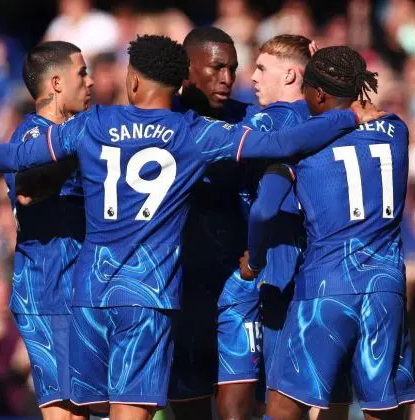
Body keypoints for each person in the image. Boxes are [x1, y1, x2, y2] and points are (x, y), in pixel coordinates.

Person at [0, 35, 381, 420]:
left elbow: (18, 156)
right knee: (132, 410)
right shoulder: (194, 133)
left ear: (134, 80)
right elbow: (280, 142)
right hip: (149, 294)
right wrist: (345, 115)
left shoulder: (94, 123)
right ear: (178, 82)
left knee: (79, 412)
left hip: (90, 292)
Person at [241, 46, 415, 420]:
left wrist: (254, 262)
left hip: (325, 285)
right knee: (382, 407)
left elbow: (264, 210)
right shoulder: (398, 130)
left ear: (318, 94)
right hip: (386, 288)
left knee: (283, 405)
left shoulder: (304, 144)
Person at [169, 27, 260, 420]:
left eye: (233, 69)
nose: (227, 78)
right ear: (188, 69)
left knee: (236, 411)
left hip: (237, 287)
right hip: (180, 290)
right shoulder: (162, 124)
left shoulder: (250, 120)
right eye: (217, 67)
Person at [0, 40, 93, 420]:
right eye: (82, 73)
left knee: (83, 408)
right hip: (47, 288)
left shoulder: (78, 133)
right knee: (64, 413)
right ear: (56, 83)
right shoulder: (32, 139)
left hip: (79, 286)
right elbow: (26, 190)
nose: (90, 82)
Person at [244, 34, 314, 406]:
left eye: (261, 68)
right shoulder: (327, 118)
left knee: (277, 396)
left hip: (280, 262)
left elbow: (264, 208)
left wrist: (253, 261)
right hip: (322, 265)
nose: (252, 76)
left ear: (290, 75)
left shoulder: (270, 122)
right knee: (320, 395)